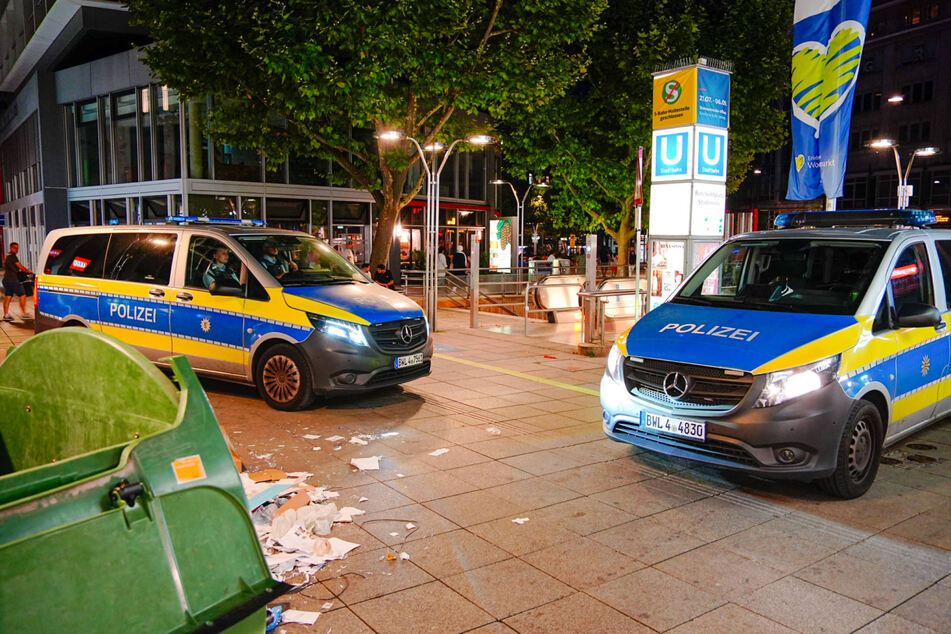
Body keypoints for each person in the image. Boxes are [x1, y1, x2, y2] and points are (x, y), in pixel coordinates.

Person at [3, 242, 32, 321]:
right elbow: (20, 266)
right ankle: (24, 314)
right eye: (15, 248)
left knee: (8, 296)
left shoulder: (7, 256)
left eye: (17, 248)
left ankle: (6, 315)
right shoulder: (13, 256)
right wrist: (28, 271)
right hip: (13, 279)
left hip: (6, 279)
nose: (16, 250)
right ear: (11, 248)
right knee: (23, 295)